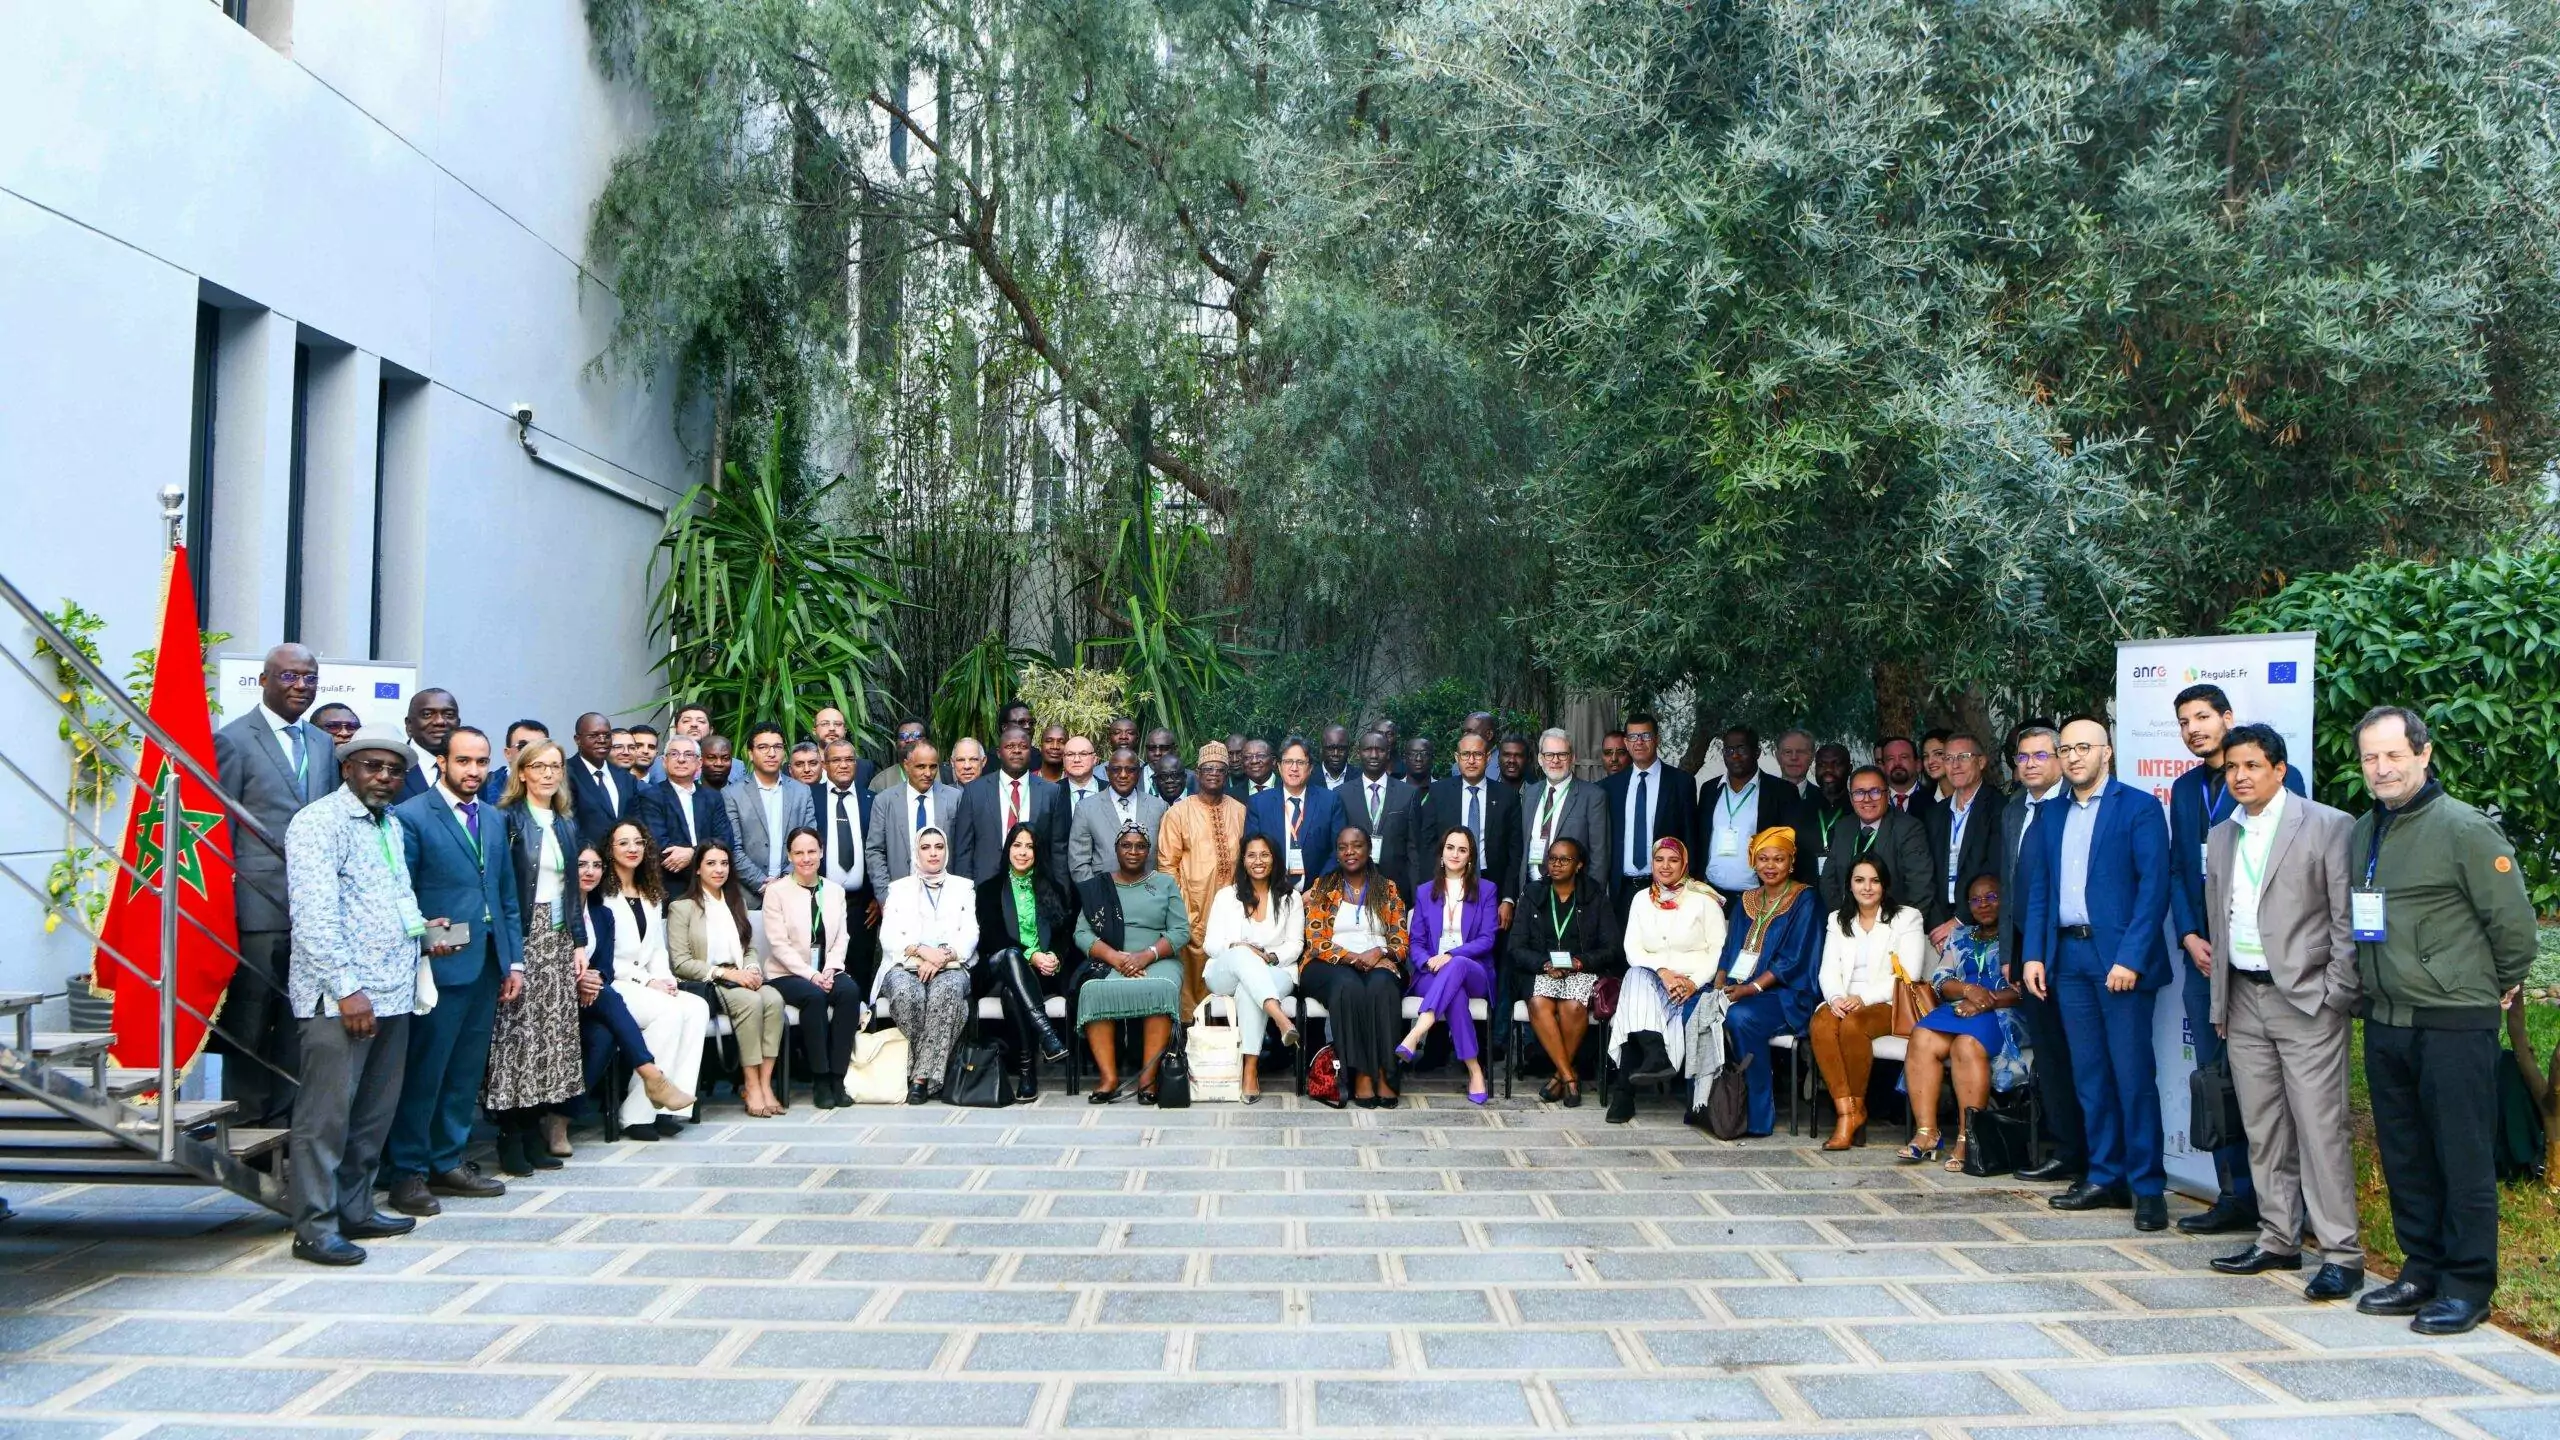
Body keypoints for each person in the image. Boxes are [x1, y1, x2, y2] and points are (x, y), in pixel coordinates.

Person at [2347, 706, 2536, 1335]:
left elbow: (2514, 927)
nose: (2382, 768)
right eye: (2371, 757)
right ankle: (2421, 1269)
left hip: (2453, 1021)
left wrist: (2490, 984)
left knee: (2461, 1155)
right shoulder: (2363, 831)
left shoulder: (2463, 828)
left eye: (2394, 755)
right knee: (2406, 1154)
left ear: (2424, 755)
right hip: (2386, 1019)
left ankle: (2467, 1284)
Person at [2199, 723, 2364, 1300]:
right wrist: (2221, 999)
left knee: (2320, 1130)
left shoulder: (2327, 825)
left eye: (2251, 766)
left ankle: (2342, 1254)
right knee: (2263, 1128)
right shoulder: (2223, 833)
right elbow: (2219, 920)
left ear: (2279, 769)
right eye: (2232, 768)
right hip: (2243, 998)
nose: (2240, 776)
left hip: (2306, 1000)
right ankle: (2278, 1239)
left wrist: (2335, 993)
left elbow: (2346, 919)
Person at [2017, 715, 2174, 1231]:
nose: (2074, 757)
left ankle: (2147, 1187)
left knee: (2132, 1076)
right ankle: (2105, 1175)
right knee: (2089, 1076)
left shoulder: (2139, 807)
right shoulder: (2051, 814)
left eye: (2084, 747)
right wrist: (2034, 954)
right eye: (2066, 749)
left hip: (2119, 960)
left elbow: (2153, 889)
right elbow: (2039, 889)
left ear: (2107, 752)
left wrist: (2131, 957)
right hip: (2067, 960)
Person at [2167, 683, 2310, 1235]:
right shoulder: (2184, 789)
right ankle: (2235, 1194)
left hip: (2258, 957)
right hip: (2203, 958)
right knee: (2216, 1079)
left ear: (2227, 717)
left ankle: (2287, 1203)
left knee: (2273, 1087)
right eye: (2184, 721)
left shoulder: (2272, 779)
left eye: (2203, 717)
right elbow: (2180, 869)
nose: (2193, 729)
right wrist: (2188, 935)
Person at [281, 726, 424, 1265]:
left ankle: (356, 1208)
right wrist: (347, 989)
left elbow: (394, 896)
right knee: (326, 1117)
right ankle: (315, 1227)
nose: (384, 777)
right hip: (341, 998)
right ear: (347, 768)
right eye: (373, 766)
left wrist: (423, 934)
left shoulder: (391, 824)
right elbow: (313, 917)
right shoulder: (318, 822)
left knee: (372, 1114)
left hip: (394, 990)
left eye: (394, 770)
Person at [382, 726, 521, 1214]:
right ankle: (408, 1171)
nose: (474, 771)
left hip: (486, 964)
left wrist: (514, 961)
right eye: (463, 761)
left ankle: (448, 1160)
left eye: (481, 762)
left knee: (464, 1072)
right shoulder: (412, 816)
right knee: (427, 1072)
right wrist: (424, 938)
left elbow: (505, 895)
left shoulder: (494, 818)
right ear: (442, 762)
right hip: (437, 964)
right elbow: (401, 893)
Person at [213, 640, 335, 1126]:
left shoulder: (322, 743)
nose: (300, 686)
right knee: (251, 1020)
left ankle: (283, 1127)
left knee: (295, 1020)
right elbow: (219, 830)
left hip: (312, 908)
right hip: (257, 908)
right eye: (289, 676)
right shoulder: (234, 740)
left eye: (309, 677)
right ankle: (243, 1126)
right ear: (263, 680)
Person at [484, 740, 590, 1175]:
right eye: (539, 766)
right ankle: (510, 1136)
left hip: (558, 937)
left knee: (550, 1040)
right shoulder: (506, 818)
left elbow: (573, 889)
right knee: (517, 1038)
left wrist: (579, 942)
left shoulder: (565, 821)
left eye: (555, 766)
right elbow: (501, 887)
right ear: (522, 771)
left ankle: (534, 1132)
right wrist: (510, 950)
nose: (548, 774)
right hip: (524, 935)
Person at [2000, 724, 2084, 1183]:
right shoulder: (2015, 810)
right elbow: (2010, 884)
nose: (2030, 764)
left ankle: (2097, 1155)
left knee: (2083, 1055)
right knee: (2049, 1055)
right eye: (2023, 757)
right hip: (2027, 952)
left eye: (2040, 755)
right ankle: (2065, 1149)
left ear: (2060, 760)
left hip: (2070, 950)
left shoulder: (2074, 805)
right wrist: (2010, 951)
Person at [594, 819, 710, 1139]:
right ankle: (636, 1114)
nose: (632, 849)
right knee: (668, 1013)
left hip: (648, 980)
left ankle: (669, 1107)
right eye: (623, 843)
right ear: (610, 850)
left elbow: (657, 947)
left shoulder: (651, 891)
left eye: (638, 842)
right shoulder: (601, 893)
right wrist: (647, 983)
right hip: (616, 983)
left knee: (696, 1007)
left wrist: (664, 979)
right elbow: (604, 955)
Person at [1900, 873, 2026, 1169]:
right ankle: (1927, 1133)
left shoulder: (2018, 936)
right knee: (1921, 1036)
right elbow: (1941, 979)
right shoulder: (1959, 936)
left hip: (2004, 1011)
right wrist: (1969, 990)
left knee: (1966, 1045)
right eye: (1976, 899)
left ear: (2006, 900)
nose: (1984, 904)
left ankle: (1967, 1138)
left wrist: (1986, 1000)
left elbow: (2024, 989)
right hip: (1960, 1006)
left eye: (1992, 897)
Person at [570, 843, 688, 1151]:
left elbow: (605, 966)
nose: (590, 872)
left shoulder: (601, 914)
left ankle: (564, 1115)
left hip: (593, 996)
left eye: (596, 866)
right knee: (616, 1001)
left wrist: (595, 979)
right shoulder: (558, 910)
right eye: (582, 865)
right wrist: (582, 980)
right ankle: (651, 1076)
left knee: (605, 1033)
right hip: (564, 996)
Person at [1606, 837, 1729, 1123]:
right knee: (1635, 977)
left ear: (1684, 864)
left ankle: (1625, 1093)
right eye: (1659, 859)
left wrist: (1693, 983)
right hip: (1653, 978)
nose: (1665, 866)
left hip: (1693, 984)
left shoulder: (1704, 900)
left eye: (1673, 860)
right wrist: (1661, 971)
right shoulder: (1641, 899)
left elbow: (1719, 951)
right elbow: (1632, 949)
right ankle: (1654, 1052)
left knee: (1631, 1006)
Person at [1711, 827, 1824, 1137]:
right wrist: (1718, 986)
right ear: (1753, 861)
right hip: (1741, 989)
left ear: (1791, 862)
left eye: (1779, 858)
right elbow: (1729, 950)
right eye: (1763, 859)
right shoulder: (1746, 899)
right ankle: (1710, 1106)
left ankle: (1757, 1115)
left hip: (1786, 994)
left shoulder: (1805, 899)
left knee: (1741, 1018)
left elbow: (1793, 958)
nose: (1770, 866)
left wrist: (1751, 989)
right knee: (1698, 1009)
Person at [1812, 855, 1930, 1149]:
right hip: (1844, 997)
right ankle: (1849, 1113)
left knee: (1853, 1025)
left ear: (1885, 885)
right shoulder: (1837, 919)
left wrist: (1862, 998)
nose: (1867, 887)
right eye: (1859, 880)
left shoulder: (1907, 918)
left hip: (1888, 1001)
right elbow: (1828, 969)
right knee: (1821, 1023)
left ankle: (1849, 1116)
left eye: (1874, 881)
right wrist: (1836, 998)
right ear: (1849, 885)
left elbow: (1909, 974)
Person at [668, 840, 788, 1117]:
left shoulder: (736, 902)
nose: (719, 869)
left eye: (724, 863)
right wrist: (726, 973)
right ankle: (750, 1084)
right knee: (750, 1002)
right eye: (711, 863)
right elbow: (681, 963)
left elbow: (749, 948)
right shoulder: (682, 907)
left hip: (741, 973)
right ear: (698, 869)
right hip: (711, 979)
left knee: (774, 999)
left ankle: (765, 1083)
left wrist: (752, 969)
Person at [1076, 824, 1191, 1102]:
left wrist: (1147, 955)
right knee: (1093, 990)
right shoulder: (1099, 887)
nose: (1133, 851)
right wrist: (1115, 957)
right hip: (1112, 960)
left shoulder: (1164, 883)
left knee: (1160, 988)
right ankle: (1109, 1078)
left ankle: (1147, 1080)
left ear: (1148, 851)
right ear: (1116, 850)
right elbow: (1082, 933)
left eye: (1140, 846)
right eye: (1126, 845)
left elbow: (1180, 931)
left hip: (1158, 959)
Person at [1507, 835, 1622, 1107]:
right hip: (1541, 969)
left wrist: (1579, 962)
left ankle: (1559, 1076)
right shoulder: (1532, 894)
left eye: (1564, 859)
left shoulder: (1595, 896)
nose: (1556, 864)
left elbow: (1612, 948)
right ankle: (1570, 1077)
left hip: (1581, 970)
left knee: (1572, 1006)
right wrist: (1544, 964)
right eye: (1552, 859)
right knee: (1538, 1003)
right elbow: (1515, 947)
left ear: (1579, 864)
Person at [1302, 826, 1413, 1107]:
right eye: (1343, 847)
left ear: (1369, 849)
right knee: (1347, 985)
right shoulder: (1323, 887)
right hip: (1328, 963)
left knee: (1382, 985)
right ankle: (1361, 1074)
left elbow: (1401, 942)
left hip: (1379, 960)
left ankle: (1384, 1072)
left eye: (1357, 845)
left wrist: (1380, 952)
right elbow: (1316, 940)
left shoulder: (1387, 888)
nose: (1349, 852)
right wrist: (1354, 958)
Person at [875, 826, 981, 1104]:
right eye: (925, 847)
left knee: (946, 993)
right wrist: (922, 952)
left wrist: (942, 956)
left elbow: (970, 934)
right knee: (908, 994)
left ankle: (919, 1080)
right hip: (904, 964)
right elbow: (888, 937)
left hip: (951, 964)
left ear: (946, 851)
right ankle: (938, 1071)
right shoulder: (898, 888)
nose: (933, 853)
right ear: (916, 852)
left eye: (938, 846)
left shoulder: (963, 887)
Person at [763, 827, 865, 1109]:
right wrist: (812, 975)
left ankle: (837, 1078)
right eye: (798, 853)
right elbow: (779, 945)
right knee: (814, 996)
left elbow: (842, 937)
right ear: (789, 856)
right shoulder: (776, 892)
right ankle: (820, 1079)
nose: (806, 858)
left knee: (849, 992)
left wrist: (830, 969)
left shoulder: (834, 891)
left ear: (821, 852)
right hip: (787, 973)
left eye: (811, 851)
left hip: (827, 969)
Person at [974, 821, 1075, 1100]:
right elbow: (992, 938)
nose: (1022, 852)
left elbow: (1063, 935)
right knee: (1012, 955)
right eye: (1017, 845)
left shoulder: (1052, 887)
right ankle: (1048, 1035)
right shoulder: (989, 889)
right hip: (998, 968)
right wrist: (1032, 955)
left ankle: (1027, 1072)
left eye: (1029, 847)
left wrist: (1053, 956)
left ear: (1037, 852)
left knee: (1013, 993)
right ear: (1008, 849)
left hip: (1040, 975)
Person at [1200, 833, 1305, 1102]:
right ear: (1243, 861)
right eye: (1251, 855)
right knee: (1242, 954)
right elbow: (1210, 944)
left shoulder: (1291, 898)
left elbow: (1295, 945)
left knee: (1249, 991)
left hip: (1275, 971)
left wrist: (1269, 957)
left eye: (1265, 855)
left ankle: (1250, 1069)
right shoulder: (1226, 896)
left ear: (1275, 859)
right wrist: (1240, 948)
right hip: (1225, 973)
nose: (1258, 861)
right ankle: (1280, 1019)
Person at [1401, 826, 1501, 1104]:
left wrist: (1451, 955)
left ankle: (1417, 1031)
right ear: (1441, 853)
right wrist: (1428, 961)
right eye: (1450, 848)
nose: (1455, 854)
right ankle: (1475, 1070)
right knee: (1455, 993)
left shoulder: (1487, 890)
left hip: (1474, 971)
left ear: (1470, 857)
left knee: (1456, 965)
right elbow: (1416, 941)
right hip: (1431, 973)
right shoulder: (1424, 892)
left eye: (1462, 849)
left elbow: (1487, 939)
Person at [1155, 742, 1246, 1011]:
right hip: (1192, 905)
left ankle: (1229, 1025)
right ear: (1197, 773)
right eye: (1208, 769)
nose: (1214, 774)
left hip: (1233, 906)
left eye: (1220, 769)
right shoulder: (1178, 813)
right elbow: (1167, 865)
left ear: (1227, 774)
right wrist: (1180, 908)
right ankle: (1188, 1027)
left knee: (1231, 960)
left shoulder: (1240, 811)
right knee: (1194, 964)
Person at [1603, 711, 1701, 910]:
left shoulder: (1681, 783)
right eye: (1633, 737)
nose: (1639, 742)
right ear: (1626, 742)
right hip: (1622, 890)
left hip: (1667, 889)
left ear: (1657, 739)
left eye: (1645, 735)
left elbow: (1690, 837)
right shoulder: (1610, 787)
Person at [1429, 732, 1523, 928]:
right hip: (1448, 880)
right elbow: (1427, 844)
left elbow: (1515, 852)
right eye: (1465, 754)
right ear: (1457, 758)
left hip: (1492, 882)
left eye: (1478, 754)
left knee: (1490, 940)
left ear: (1488, 758)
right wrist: (1433, 888)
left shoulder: (1507, 796)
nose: (1471, 761)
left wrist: (1508, 898)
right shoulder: (1439, 792)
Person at [954, 725, 1066, 887]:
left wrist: (1061, 893)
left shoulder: (1051, 792)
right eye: (1010, 746)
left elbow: (1058, 851)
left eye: (1023, 746)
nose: (1017, 751)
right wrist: (965, 892)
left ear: (1031, 752)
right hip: (987, 887)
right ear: (999, 753)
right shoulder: (975, 791)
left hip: (1036, 887)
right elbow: (964, 850)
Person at [1922, 731, 2003, 948]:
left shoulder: (1999, 808)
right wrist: (1938, 925)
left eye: (1963, 757)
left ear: (1981, 762)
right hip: (1939, 927)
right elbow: (1926, 872)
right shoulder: (1935, 814)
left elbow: (1994, 868)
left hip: (1982, 921)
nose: (1955, 765)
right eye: (1948, 758)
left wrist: (1958, 921)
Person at [814, 738, 881, 994]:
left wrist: (876, 896)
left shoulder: (871, 800)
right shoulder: (811, 797)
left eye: (849, 760)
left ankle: (861, 1017)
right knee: (824, 974)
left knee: (860, 973)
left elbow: (879, 850)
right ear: (824, 765)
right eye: (836, 760)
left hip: (862, 906)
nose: (843, 765)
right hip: (820, 901)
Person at [725, 722, 819, 902]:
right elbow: (733, 848)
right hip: (748, 897)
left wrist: (785, 881)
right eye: (763, 747)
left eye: (777, 747)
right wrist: (762, 884)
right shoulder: (732, 794)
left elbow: (809, 840)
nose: (771, 753)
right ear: (750, 753)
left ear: (784, 753)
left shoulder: (801, 792)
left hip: (794, 891)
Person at [1818, 766, 1931, 912]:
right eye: (1859, 793)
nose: (1867, 799)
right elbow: (1828, 881)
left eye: (1875, 792)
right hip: (1848, 918)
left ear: (1887, 795)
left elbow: (1920, 887)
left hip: (1895, 919)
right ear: (1851, 799)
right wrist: (1843, 918)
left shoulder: (1909, 829)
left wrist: (1900, 924)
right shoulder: (1844, 827)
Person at [1244, 737, 1348, 890]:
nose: (1294, 768)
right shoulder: (1259, 803)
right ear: (1279, 766)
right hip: (1271, 891)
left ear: (1310, 768)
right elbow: (1252, 851)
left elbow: (1338, 850)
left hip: (1317, 894)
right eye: (1288, 762)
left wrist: (1317, 890)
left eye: (1300, 762)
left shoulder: (1330, 801)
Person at [1514, 729, 1607, 900]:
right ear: (1540, 759)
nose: (1555, 760)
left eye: (1562, 754)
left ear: (1572, 758)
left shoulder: (1593, 796)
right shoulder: (1530, 793)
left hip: (1573, 894)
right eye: (1549, 755)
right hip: (1531, 890)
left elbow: (1599, 856)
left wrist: (1590, 899)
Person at [1702, 727, 1786, 907]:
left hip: (1759, 898)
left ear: (1757, 753)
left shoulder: (1780, 791)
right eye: (1729, 750)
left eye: (1742, 749)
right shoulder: (1709, 790)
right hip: (1711, 896)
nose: (1735, 756)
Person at [636, 735, 734, 883]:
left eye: (688, 754)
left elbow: (724, 840)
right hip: (670, 881)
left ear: (699, 763)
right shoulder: (650, 796)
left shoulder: (713, 797)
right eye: (674, 754)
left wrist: (692, 853)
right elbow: (659, 845)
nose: (681, 759)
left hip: (712, 880)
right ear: (664, 761)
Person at [867, 740, 965, 885]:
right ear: (906, 765)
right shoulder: (885, 801)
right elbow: (875, 851)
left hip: (944, 889)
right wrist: (885, 893)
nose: (928, 773)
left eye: (933, 767)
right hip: (900, 890)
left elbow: (963, 849)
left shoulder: (954, 798)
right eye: (921, 767)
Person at [1341, 731, 1424, 902]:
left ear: (1388, 753)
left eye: (1380, 749)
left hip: (1397, 891)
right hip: (1352, 890)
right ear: (1359, 753)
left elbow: (1413, 851)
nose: (1374, 755)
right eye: (1368, 749)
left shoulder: (1408, 794)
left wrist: (1417, 899)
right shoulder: (1341, 794)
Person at [1072, 746, 1168, 882]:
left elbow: (1166, 858)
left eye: (1130, 770)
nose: (1123, 775)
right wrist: (1097, 892)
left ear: (1139, 772)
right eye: (1116, 769)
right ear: (1107, 772)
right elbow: (1079, 862)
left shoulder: (1159, 807)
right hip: (1103, 891)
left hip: (1150, 890)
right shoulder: (1086, 808)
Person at [568, 713, 640, 847]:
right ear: (577, 739)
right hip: (586, 855)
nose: (602, 740)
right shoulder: (566, 773)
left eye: (607, 735)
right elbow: (568, 822)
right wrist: (586, 851)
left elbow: (635, 821)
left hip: (623, 855)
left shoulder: (625, 778)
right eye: (593, 735)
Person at [1791, 744, 1852, 886]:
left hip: (1848, 893)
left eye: (1836, 764)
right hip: (1805, 893)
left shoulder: (1859, 810)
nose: (1828, 770)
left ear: (1849, 769)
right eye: (1822, 765)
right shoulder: (1796, 810)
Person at [398, 687, 460, 800]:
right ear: (409, 725)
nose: (440, 721)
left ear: (458, 723)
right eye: (427, 714)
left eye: (449, 714)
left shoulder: (472, 768)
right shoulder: (392, 766)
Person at [870, 717, 930, 794]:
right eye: (903, 736)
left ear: (928, 741)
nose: (910, 740)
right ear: (896, 744)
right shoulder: (880, 782)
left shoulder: (943, 774)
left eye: (916, 735)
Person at [491, 718, 548, 797]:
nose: (531, 753)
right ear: (508, 754)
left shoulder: (557, 788)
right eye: (523, 746)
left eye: (539, 746)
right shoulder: (486, 793)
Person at [1879, 736, 1932, 817]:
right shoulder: (1873, 800)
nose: (1897, 763)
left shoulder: (1933, 799)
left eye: (1904, 757)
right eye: (1890, 758)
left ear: (1918, 765)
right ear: (1883, 767)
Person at [1059, 733, 1104, 818]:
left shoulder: (1110, 790)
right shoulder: (1052, 792)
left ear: (1095, 759)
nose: (1076, 760)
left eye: (1083, 754)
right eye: (1070, 754)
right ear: (1063, 760)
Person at [1774, 729, 1817, 802]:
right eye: (1788, 752)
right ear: (1777, 757)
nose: (1794, 757)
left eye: (1801, 752)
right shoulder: (1759, 796)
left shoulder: (1825, 800)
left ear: (1812, 757)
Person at [1317, 724, 1355, 791]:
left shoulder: (1361, 777)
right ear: (1321, 749)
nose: (1336, 754)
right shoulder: (1308, 778)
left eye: (1341, 748)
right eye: (1330, 748)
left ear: (1349, 749)